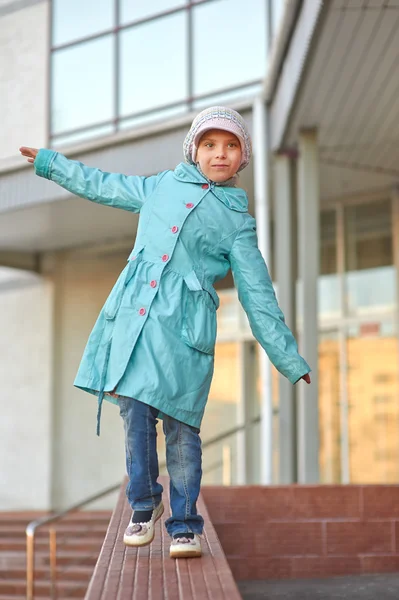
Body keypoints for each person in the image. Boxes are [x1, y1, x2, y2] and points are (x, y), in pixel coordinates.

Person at [20, 106, 311, 559]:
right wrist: (50, 163)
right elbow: (103, 185)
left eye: (231, 146)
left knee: (181, 431)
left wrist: (287, 357)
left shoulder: (239, 223)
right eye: (210, 144)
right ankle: (144, 504)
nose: (220, 154)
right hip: (138, 324)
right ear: (194, 150)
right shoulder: (161, 186)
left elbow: (259, 295)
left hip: (185, 336)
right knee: (134, 414)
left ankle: (184, 524)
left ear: (243, 157)